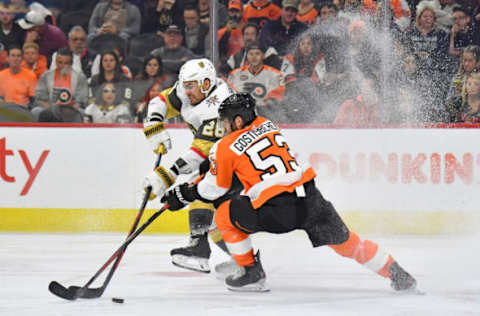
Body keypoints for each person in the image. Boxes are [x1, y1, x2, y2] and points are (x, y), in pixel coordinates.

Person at [159, 93, 418, 293]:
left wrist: (184, 195)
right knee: (346, 242)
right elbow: (247, 165)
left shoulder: (224, 146)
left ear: (237, 120)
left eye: (225, 121)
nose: (223, 127)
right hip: (310, 197)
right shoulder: (268, 125)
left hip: (277, 210)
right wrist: (208, 172)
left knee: (225, 214)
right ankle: (397, 273)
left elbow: (215, 188)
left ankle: (251, 273)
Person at [142, 58, 235, 273]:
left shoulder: (221, 106)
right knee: (215, 223)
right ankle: (245, 262)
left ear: (205, 84)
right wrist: (155, 124)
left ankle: (199, 250)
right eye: (185, 85)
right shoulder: (190, 89)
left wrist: (167, 174)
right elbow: (160, 102)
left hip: (235, 159)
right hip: (218, 156)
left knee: (200, 189)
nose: (186, 90)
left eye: (190, 86)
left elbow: (200, 153)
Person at [227, 42, 286, 120]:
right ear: (247, 56)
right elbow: (230, 93)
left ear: (263, 55)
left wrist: (268, 102)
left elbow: (277, 97)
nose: (254, 57)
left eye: (257, 53)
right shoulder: (235, 74)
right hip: (241, 114)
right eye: (251, 54)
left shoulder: (276, 75)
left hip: (266, 114)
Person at [33, 48, 89, 118]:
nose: (62, 66)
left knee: (82, 113)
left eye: (66, 63)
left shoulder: (80, 77)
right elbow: (40, 97)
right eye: (60, 62)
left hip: (72, 111)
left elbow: (81, 100)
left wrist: (69, 112)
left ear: (71, 63)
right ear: (56, 62)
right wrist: (52, 111)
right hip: (50, 110)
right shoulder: (46, 76)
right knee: (36, 111)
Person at [134, 55, 175, 121]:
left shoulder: (166, 80)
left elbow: (170, 100)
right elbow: (135, 99)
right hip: (142, 111)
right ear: (145, 67)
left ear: (159, 67)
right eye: (149, 65)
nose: (152, 68)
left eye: (155, 65)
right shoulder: (138, 80)